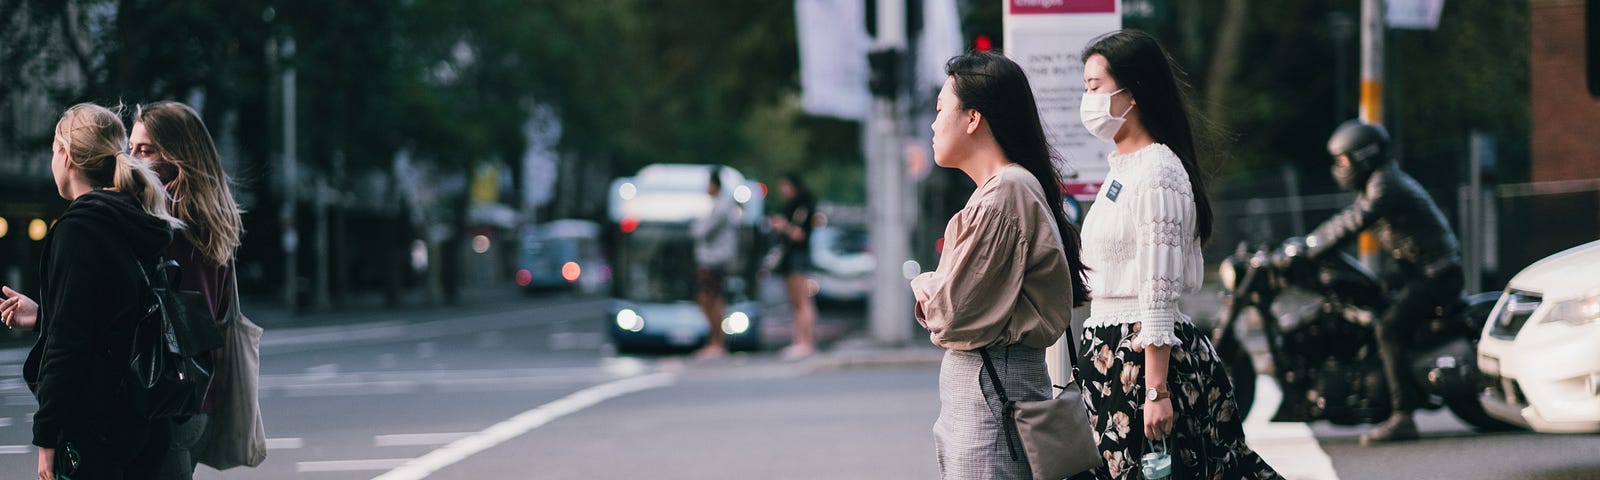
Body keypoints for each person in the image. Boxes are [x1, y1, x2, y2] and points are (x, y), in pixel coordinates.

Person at [1074, 30, 1279, 478]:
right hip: (1112, 355)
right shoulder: (1121, 172)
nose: (1086, 100)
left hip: (1142, 360)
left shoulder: (1158, 170)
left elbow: (1158, 287)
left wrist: (1156, 390)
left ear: (1134, 91)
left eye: (1094, 86)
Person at [910, 51, 1091, 479]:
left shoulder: (1004, 195)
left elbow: (952, 316)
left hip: (992, 396)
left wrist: (925, 284)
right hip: (994, 389)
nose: (934, 125)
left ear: (973, 118)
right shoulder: (1006, 188)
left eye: (941, 110)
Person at [10, 103, 183, 479]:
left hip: (95, 425)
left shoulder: (80, 228)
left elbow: (69, 345)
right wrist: (45, 315)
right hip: (142, 418)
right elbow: (112, 317)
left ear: (66, 156)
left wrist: (47, 438)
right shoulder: (135, 217)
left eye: (53, 150)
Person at [1302, 119, 1463, 445]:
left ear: (1364, 156)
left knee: (1388, 328)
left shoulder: (1385, 185)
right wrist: (1307, 243)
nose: (1340, 167)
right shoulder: (1378, 181)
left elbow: (1356, 220)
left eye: (1343, 160)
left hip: (1436, 274)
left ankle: (1403, 417)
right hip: (1417, 272)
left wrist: (1311, 248)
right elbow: (1350, 215)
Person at [130, 101, 246, 475]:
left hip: (166, 396)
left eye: (145, 150)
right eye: (129, 149)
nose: (132, 159)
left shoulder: (161, 222)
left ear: (180, 156)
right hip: (199, 397)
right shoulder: (214, 220)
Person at [690, 167, 741, 359]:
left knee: (711, 298)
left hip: (714, 260)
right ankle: (715, 341)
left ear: (714, 185)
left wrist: (696, 226)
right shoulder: (721, 205)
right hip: (714, 260)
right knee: (708, 298)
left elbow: (701, 231)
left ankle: (717, 342)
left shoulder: (721, 206)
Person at [770, 173, 818, 359]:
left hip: (798, 256)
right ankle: (799, 341)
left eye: (785, 186)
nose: (783, 190)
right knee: (794, 302)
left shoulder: (804, 206)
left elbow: (801, 234)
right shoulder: (790, 206)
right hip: (789, 257)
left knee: (802, 300)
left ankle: (806, 342)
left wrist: (784, 227)